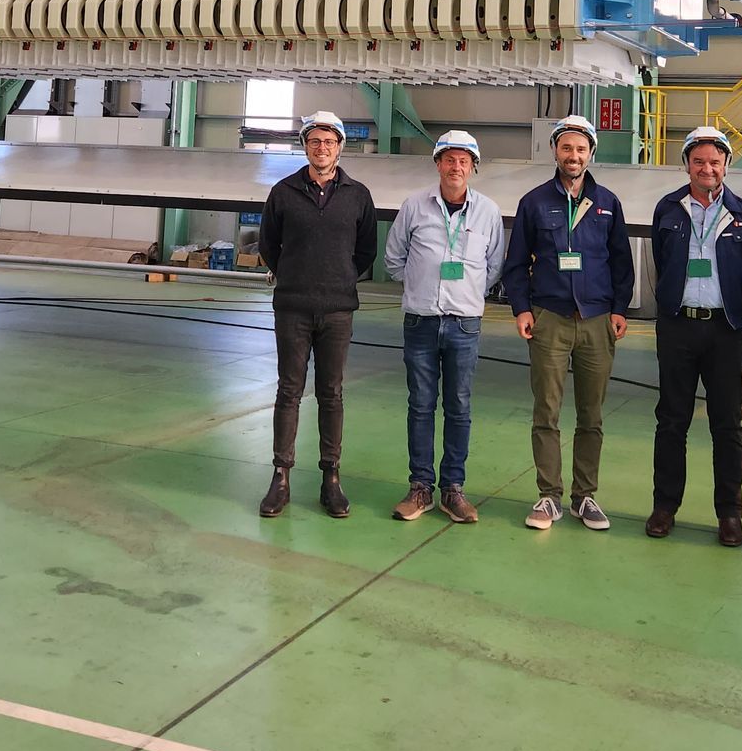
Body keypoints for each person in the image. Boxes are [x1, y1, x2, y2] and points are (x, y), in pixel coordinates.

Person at [501, 112, 634, 532]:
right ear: (555, 151)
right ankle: (548, 497)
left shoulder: (608, 204)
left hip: (596, 321)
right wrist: (523, 309)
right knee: (548, 411)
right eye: (566, 148)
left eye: (580, 149)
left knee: (591, 414)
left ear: (591, 153)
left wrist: (618, 309)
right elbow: (516, 263)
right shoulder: (534, 202)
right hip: (550, 320)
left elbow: (621, 264)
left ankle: (585, 497)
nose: (573, 155)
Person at [645, 126, 742, 545]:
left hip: (726, 330)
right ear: (687, 164)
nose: (707, 168)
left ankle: (730, 514)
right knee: (671, 420)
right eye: (699, 161)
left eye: (715, 161)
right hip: (678, 326)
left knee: (727, 425)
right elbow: (660, 261)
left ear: (727, 165)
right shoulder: (668, 209)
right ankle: (664, 507)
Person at [256, 110, 378, 520]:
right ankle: (281, 477)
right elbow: (269, 245)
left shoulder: (358, 196)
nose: (321, 148)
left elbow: (365, 252)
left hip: (338, 309)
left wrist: (339, 278)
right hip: (292, 307)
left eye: (329, 142)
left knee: (331, 393)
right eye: (314, 141)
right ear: (305, 146)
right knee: (289, 390)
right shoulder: (283, 192)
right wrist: (295, 276)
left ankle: (331, 479)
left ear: (340, 147)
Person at [383, 130, 505, 524]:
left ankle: (453, 489)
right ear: (438, 164)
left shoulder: (487, 211)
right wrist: (421, 287)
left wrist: (464, 294)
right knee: (420, 406)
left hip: (465, 325)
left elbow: (493, 267)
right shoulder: (414, 206)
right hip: (420, 321)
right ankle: (420, 488)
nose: (456, 167)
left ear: (473, 168)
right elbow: (394, 258)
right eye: (449, 159)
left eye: (463, 161)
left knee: (459, 407)